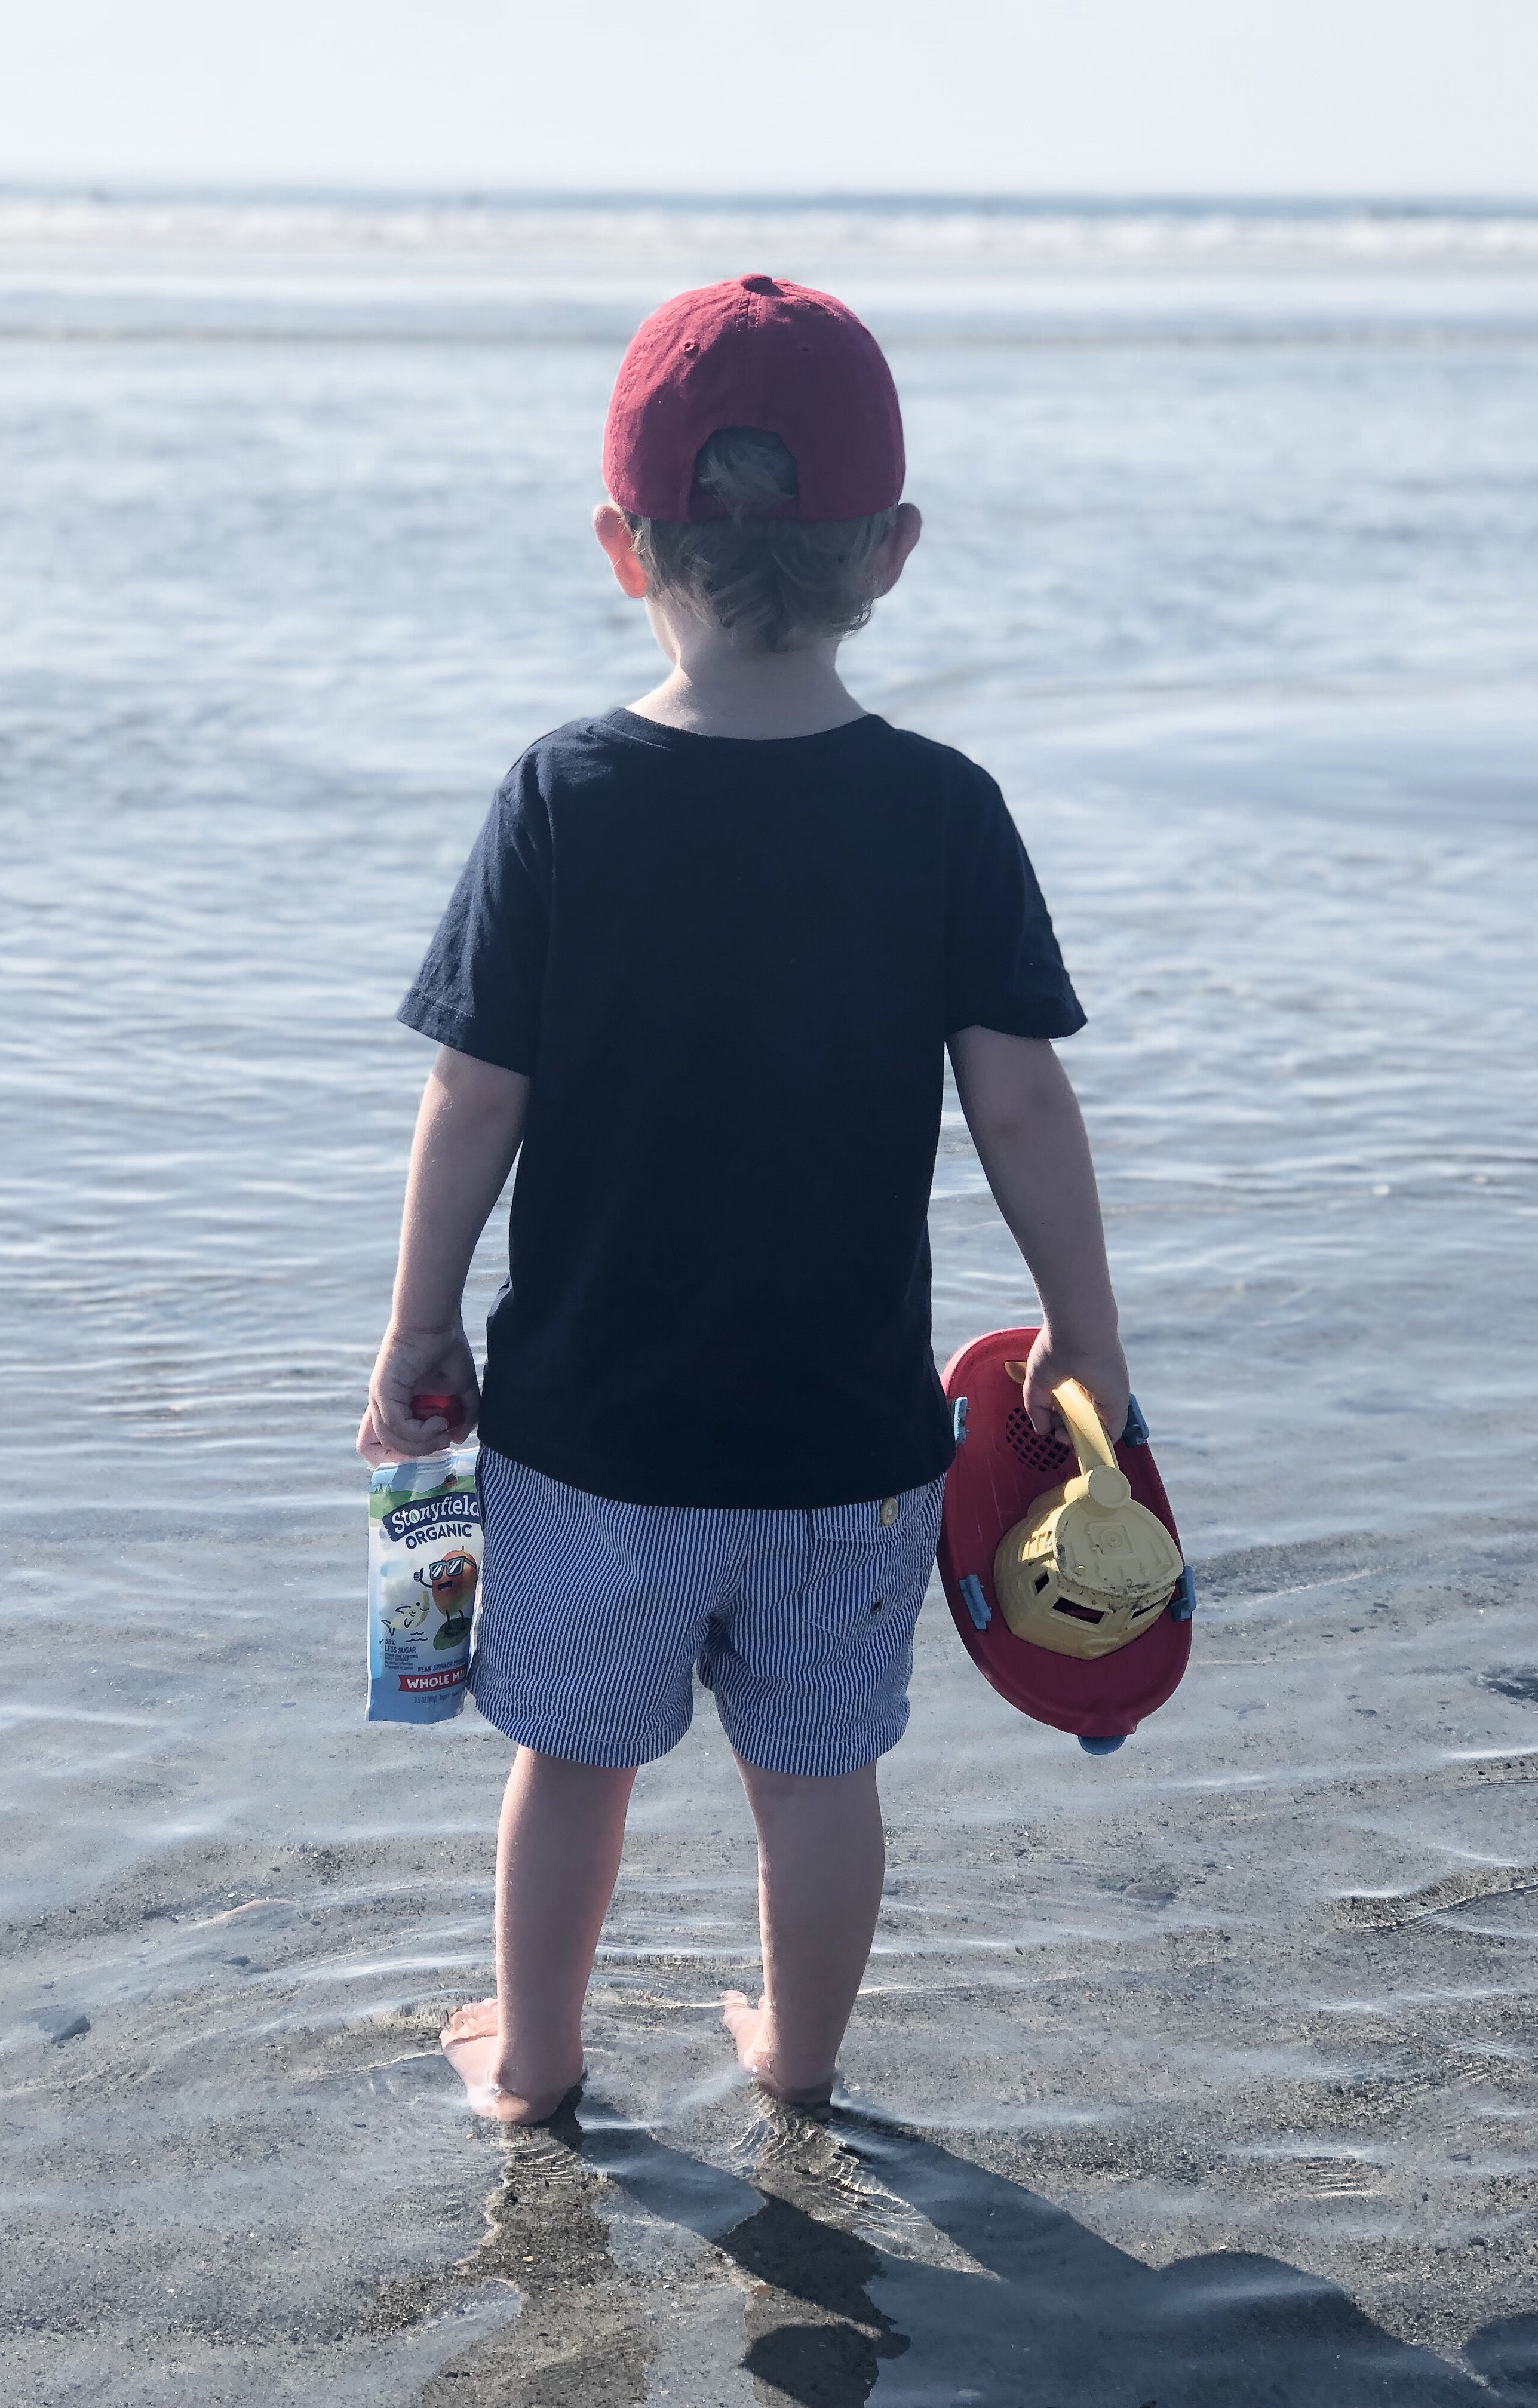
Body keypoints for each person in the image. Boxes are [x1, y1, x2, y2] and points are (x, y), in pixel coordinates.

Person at [358, 273, 1130, 2124]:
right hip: (848, 1447)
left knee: (569, 1760)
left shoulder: (564, 797)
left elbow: (472, 1097)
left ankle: (534, 2066)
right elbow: (1020, 1097)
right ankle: (798, 2059)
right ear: (896, 552)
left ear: (626, 547)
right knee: (818, 1780)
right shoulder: (943, 809)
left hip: (593, 1445)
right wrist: (1087, 1341)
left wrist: (415, 1330)